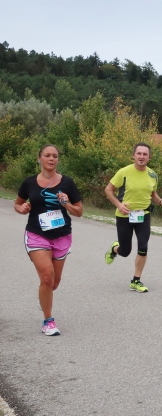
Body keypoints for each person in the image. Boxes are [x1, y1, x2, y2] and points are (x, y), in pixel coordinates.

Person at [14, 144, 83, 336]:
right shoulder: (29, 183)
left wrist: (66, 203)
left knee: (53, 283)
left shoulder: (67, 183)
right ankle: (48, 321)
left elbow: (79, 212)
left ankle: (45, 299)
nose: (51, 159)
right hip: (37, 234)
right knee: (46, 276)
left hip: (61, 236)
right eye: (47, 155)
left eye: (55, 156)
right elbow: (18, 204)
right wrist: (22, 209)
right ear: (39, 159)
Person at [103, 142, 162, 293]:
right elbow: (108, 190)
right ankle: (114, 249)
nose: (141, 156)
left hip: (143, 216)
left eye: (145, 154)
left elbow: (152, 195)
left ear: (149, 157)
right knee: (125, 251)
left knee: (143, 247)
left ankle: (136, 280)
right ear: (133, 155)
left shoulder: (152, 175)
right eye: (139, 153)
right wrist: (119, 205)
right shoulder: (124, 172)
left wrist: (161, 202)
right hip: (124, 216)